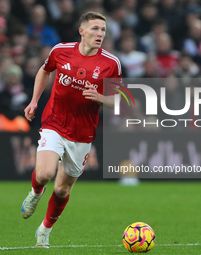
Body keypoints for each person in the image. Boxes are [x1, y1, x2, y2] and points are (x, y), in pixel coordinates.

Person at [20, 11, 122, 248]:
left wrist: (99, 97)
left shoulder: (111, 63)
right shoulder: (60, 50)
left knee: (63, 189)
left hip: (82, 133)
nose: (100, 34)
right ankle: (35, 192)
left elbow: (119, 100)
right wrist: (34, 100)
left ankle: (44, 230)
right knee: (45, 174)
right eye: (95, 29)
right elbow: (45, 70)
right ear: (82, 31)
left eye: (103, 30)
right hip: (54, 122)